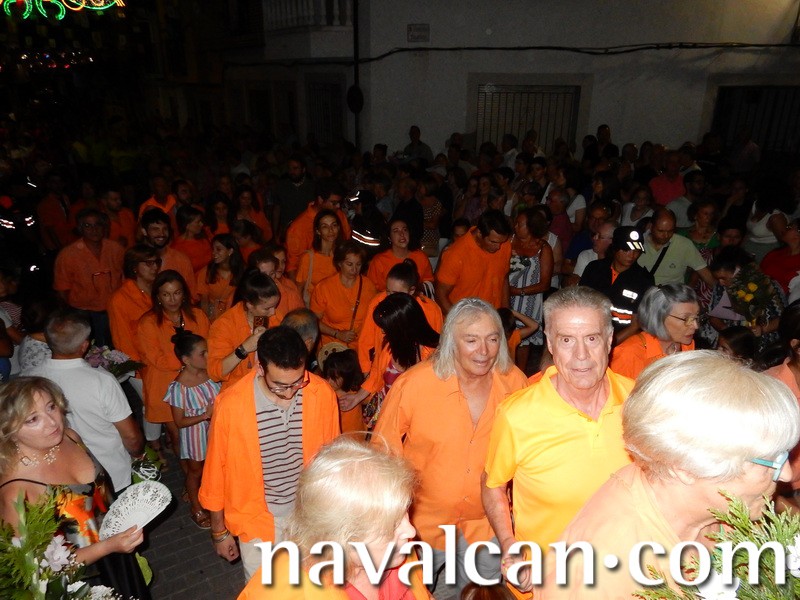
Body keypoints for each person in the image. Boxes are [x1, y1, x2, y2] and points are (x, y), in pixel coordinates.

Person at [541, 351, 799, 597]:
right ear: (684, 467)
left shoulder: (717, 507)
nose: (786, 474)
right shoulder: (604, 572)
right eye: (770, 461)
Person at [482, 287, 634, 597]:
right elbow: (492, 484)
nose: (581, 355)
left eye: (591, 338)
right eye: (566, 340)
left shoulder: (640, 402)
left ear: (609, 340)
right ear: (550, 344)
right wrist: (510, 545)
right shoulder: (517, 414)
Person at [372, 298, 528, 598]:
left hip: (487, 524)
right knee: (414, 593)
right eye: (471, 340)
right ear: (450, 342)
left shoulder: (515, 384)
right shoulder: (414, 384)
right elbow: (382, 451)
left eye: (492, 339)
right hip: (422, 524)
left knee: (481, 594)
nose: (484, 351)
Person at [199, 326, 340, 581]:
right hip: (256, 519)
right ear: (260, 368)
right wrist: (219, 532)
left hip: (308, 515)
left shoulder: (321, 394)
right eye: (279, 386)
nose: (289, 393)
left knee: (310, 587)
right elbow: (215, 473)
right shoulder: (231, 405)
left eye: (297, 381)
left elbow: (332, 461)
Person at [0, 377, 150, 599]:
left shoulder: (70, 437)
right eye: (33, 419)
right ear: (8, 430)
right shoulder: (16, 492)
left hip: (119, 553)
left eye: (51, 407)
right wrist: (107, 547)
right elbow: (35, 572)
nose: (52, 422)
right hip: (83, 583)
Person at [238, 437, 429, 599]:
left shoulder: (396, 551)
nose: (411, 531)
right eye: (392, 526)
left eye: (404, 512)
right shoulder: (279, 591)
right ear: (342, 540)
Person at [26, 310, 145, 492]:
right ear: (84, 346)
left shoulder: (29, 379)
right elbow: (131, 436)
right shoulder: (101, 381)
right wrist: (138, 455)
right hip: (112, 473)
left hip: (65, 479)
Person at [338, 293, 440, 432]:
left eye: (386, 327)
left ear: (403, 327)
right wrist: (357, 397)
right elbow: (376, 374)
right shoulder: (389, 346)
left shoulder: (434, 356)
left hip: (416, 423)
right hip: (387, 416)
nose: (382, 331)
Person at [137, 270, 210, 460]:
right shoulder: (148, 323)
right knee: (178, 435)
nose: (172, 299)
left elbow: (208, 347)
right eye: (166, 294)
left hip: (199, 380)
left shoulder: (198, 315)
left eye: (177, 293)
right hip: (165, 384)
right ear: (158, 296)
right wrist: (190, 362)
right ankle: (188, 472)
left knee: (208, 431)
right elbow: (156, 358)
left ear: (184, 293)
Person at [165, 332, 218, 530]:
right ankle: (196, 508)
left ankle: (215, 500)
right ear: (186, 360)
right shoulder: (179, 387)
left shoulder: (211, 374)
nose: (208, 356)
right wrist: (205, 415)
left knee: (216, 467)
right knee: (195, 471)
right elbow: (179, 421)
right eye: (202, 353)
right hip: (195, 434)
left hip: (216, 429)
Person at [53, 208, 124, 347]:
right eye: (88, 226)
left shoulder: (116, 249)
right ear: (80, 229)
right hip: (83, 313)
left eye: (97, 225)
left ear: (104, 227)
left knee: (115, 347)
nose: (94, 229)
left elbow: (125, 278)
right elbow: (62, 289)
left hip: (113, 310)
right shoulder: (68, 255)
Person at [358, 260, 443, 374]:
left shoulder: (430, 309)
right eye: (388, 291)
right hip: (382, 370)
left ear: (411, 290)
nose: (390, 297)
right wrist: (366, 371)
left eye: (395, 293)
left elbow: (435, 346)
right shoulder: (378, 302)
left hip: (419, 371)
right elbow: (366, 340)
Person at [207, 270, 281, 391]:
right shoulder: (224, 325)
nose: (273, 312)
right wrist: (244, 349)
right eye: (267, 308)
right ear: (250, 305)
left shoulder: (277, 318)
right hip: (237, 391)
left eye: (275, 306)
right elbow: (215, 373)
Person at [610, 284, 698, 380]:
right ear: (658, 318)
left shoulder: (687, 345)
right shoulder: (628, 355)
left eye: (696, 317)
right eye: (686, 319)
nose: (696, 326)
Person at [580, 226, 654, 340]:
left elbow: (636, 325)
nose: (632, 255)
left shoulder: (644, 280)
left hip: (623, 340)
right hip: (588, 331)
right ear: (614, 247)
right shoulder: (594, 268)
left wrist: (610, 343)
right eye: (626, 250)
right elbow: (580, 304)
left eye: (636, 251)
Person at [435, 209, 513, 313]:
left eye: (501, 242)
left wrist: (506, 313)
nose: (498, 247)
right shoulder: (455, 254)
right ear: (479, 233)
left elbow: (504, 278)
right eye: (493, 242)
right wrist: (459, 320)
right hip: (464, 318)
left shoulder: (504, 244)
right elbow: (440, 294)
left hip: (493, 317)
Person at [311, 240, 377, 350]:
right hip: (333, 347)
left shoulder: (369, 286)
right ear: (339, 263)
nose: (354, 269)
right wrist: (337, 333)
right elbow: (314, 321)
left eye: (358, 264)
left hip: (360, 348)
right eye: (349, 264)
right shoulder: (323, 287)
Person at [508, 208, 553, 371]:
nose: (515, 226)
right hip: (506, 296)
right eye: (516, 223)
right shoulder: (509, 241)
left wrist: (519, 291)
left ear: (531, 227)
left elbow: (545, 283)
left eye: (520, 224)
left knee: (523, 339)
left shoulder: (543, 248)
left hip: (529, 300)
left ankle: (520, 373)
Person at [285, 178, 351, 277]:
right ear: (320, 200)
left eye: (339, 203)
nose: (338, 206)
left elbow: (347, 244)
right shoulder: (299, 227)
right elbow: (292, 266)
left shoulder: (340, 215)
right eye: (333, 203)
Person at [636, 208, 716, 288]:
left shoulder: (684, 244)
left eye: (670, 231)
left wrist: (719, 291)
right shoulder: (638, 242)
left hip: (671, 294)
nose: (666, 235)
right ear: (651, 226)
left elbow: (705, 274)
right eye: (661, 231)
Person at [140, 208, 196, 299]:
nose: (161, 234)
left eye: (165, 229)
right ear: (144, 231)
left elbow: (191, 296)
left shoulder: (181, 260)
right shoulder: (137, 259)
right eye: (155, 229)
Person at [366, 218, 434, 292]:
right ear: (389, 237)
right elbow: (371, 290)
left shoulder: (421, 257)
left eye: (405, 230)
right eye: (396, 231)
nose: (402, 234)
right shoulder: (379, 261)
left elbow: (429, 283)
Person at [294, 209, 342, 304]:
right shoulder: (308, 258)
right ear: (318, 231)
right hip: (314, 308)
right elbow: (299, 290)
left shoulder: (343, 255)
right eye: (325, 227)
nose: (331, 230)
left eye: (334, 225)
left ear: (339, 227)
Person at [197, 233, 245, 322]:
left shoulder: (243, 271)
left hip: (235, 316)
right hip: (213, 317)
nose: (214, 253)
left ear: (230, 251)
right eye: (213, 249)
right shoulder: (207, 272)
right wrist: (207, 319)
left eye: (218, 249)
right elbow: (204, 300)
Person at [761, 216, 800, 294]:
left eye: (789, 227)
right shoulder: (775, 253)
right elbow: (759, 273)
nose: (784, 229)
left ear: (798, 235)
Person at [171, 205, 212, 273]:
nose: (201, 224)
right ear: (187, 225)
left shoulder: (204, 237)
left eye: (201, 221)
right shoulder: (177, 248)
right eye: (198, 222)